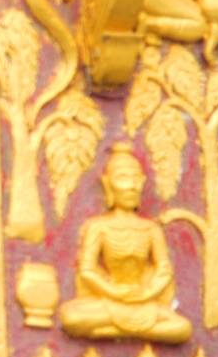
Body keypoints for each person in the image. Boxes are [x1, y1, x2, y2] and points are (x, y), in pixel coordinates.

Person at [59, 144, 191, 344]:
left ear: (142, 182)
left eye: (135, 179)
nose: (130, 186)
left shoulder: (150, 229)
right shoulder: (99, 227)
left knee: (182, 328)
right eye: (122, 178)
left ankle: (109, 332)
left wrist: (147, 293)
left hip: (144, 302)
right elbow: (87, 270)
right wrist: (113, 292)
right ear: (107, 184)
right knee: (71, 318)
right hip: (109, 300)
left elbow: (164, 270)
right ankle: (129, 330)